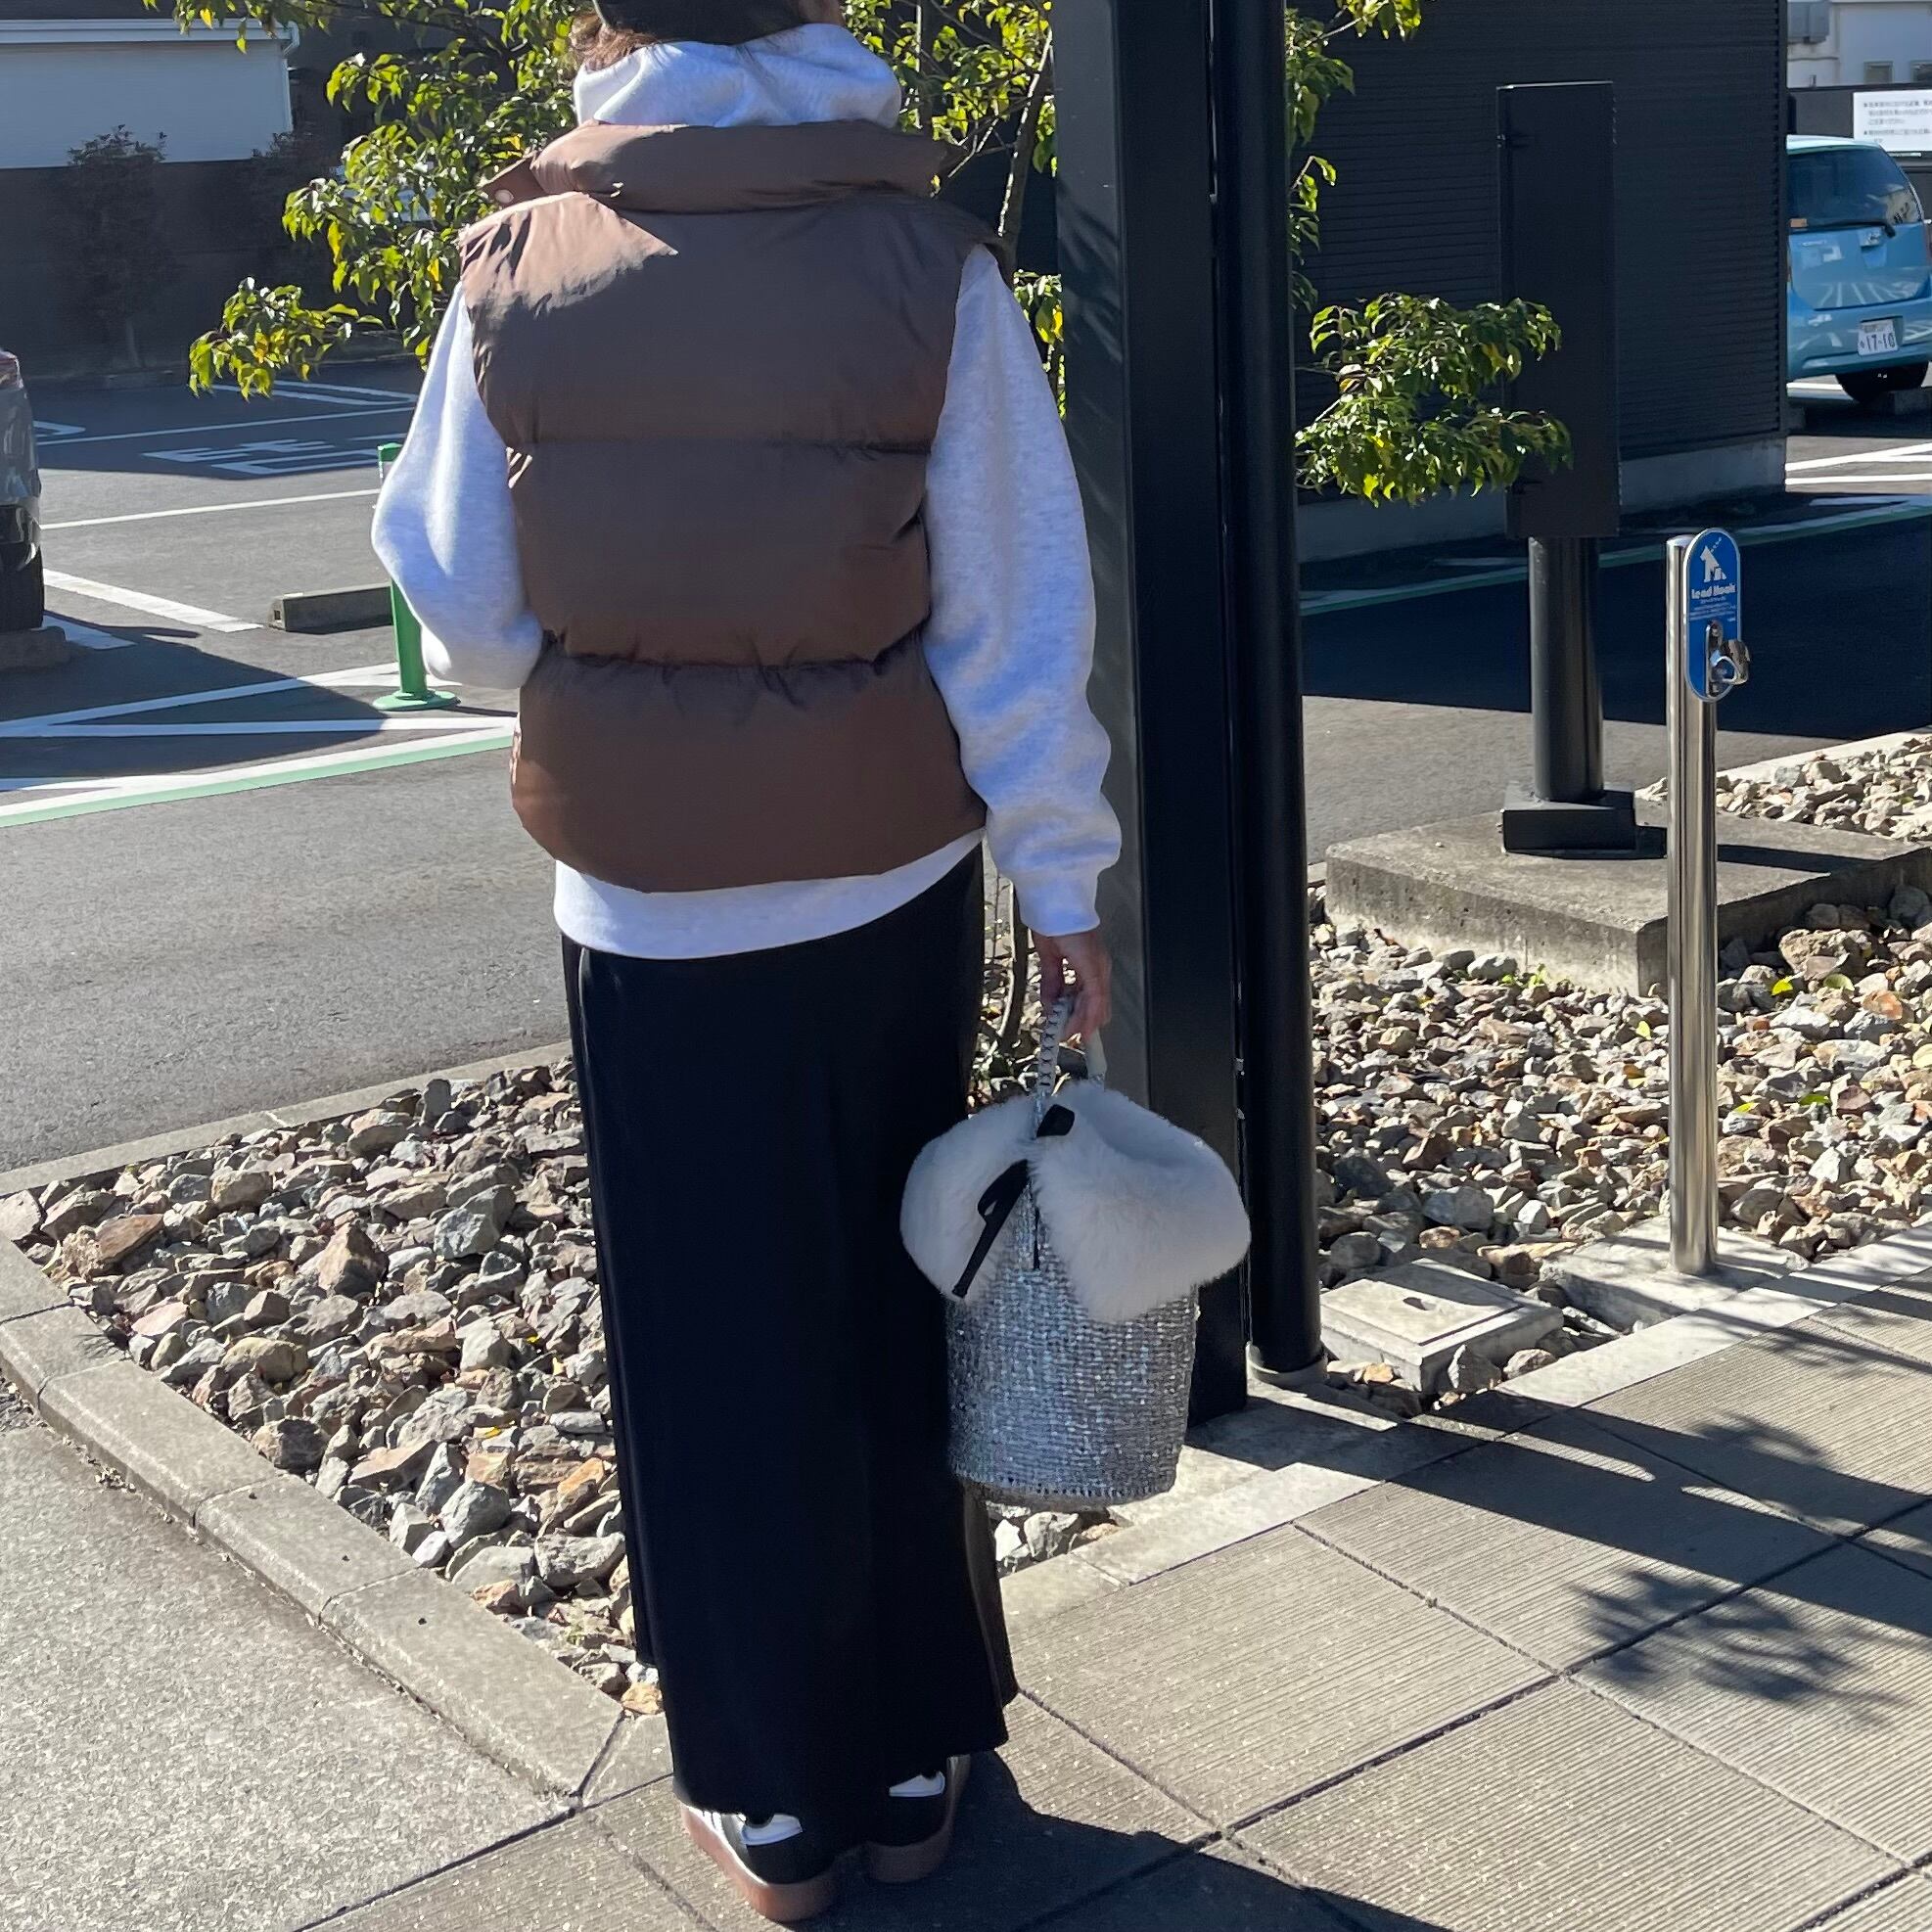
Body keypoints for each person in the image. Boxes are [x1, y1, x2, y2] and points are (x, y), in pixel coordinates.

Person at [372, 0, 1120, 1919]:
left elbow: (455, 592)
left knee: (705, 1338)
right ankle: (909, 1759)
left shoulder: (515, 266)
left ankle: (770, 1804)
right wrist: (1060, 875)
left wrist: (605, 678)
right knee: (891, 1302)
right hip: (884, 884)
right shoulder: (931, 263)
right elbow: (1016, 604)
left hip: (641, 901)